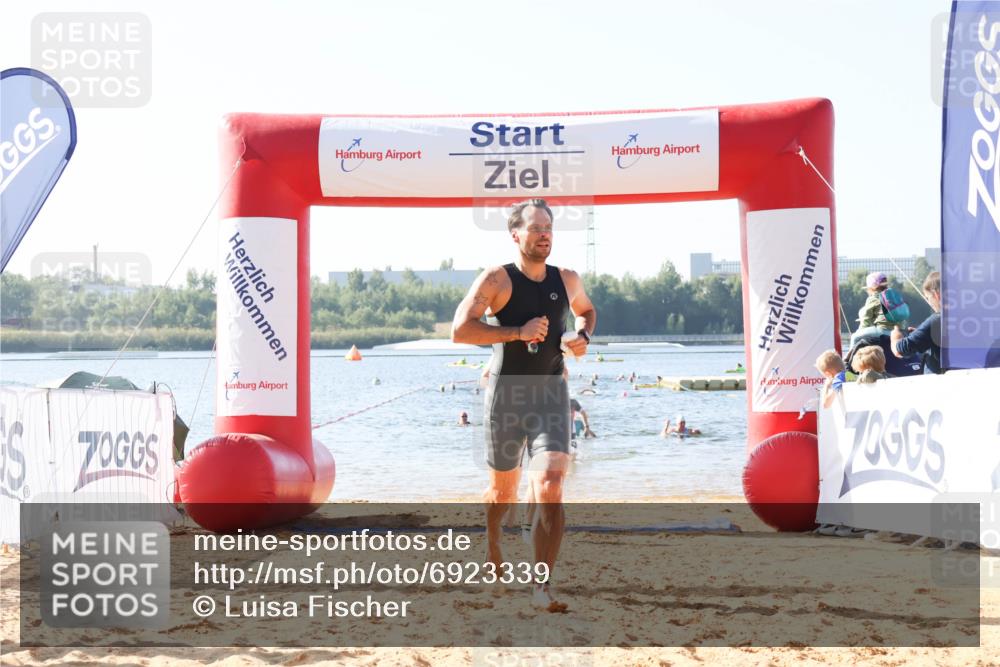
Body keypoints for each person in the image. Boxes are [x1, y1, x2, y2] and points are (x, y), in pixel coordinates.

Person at [451, 198, 597, 612]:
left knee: (550, 484)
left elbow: (586, 311)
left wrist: (583, 337)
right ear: (515, 234)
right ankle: (494, 543)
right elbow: (460, 331)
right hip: (507, 396)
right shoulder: (497, 279)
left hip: (551, 393)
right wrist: (517, 331)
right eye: (535, 228)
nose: (544, 234)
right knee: (503, 491)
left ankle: (541, 586)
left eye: (548, 227)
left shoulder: (567, 278)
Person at [890, 271, 943, 374]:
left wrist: (896, 335)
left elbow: (901, 350)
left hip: (942, 385)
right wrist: (921, 334)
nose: (929, 302)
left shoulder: (937, 320)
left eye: (928, 298)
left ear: (936, 295)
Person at [850, 271, 908, 348]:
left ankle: (848, 358)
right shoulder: (894, 296)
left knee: (855, 337)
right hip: (900, 332)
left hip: (884, 331)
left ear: (871, 288)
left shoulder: (873, 298)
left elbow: (866, 320)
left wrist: (860, 331)